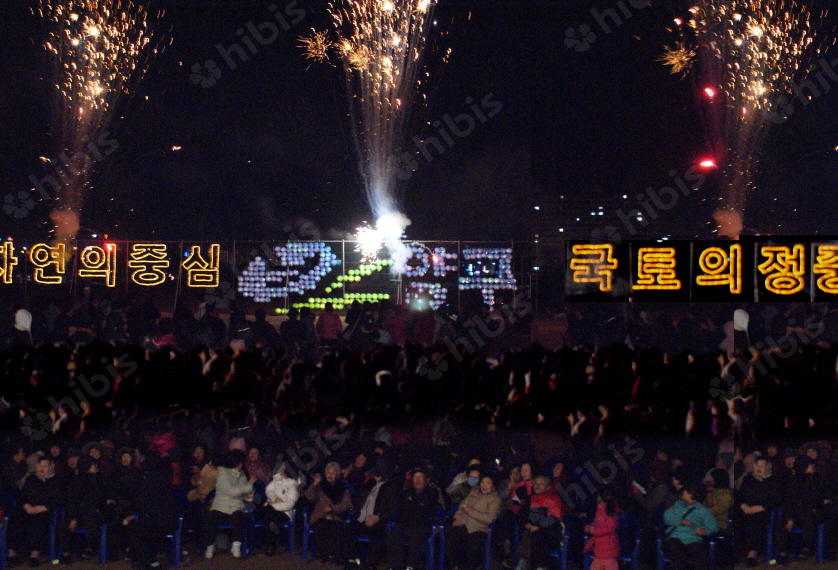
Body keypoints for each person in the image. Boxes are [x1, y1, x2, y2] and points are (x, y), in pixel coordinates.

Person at [774, 456, 834, 564]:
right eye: (810, 464)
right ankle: (783, 552)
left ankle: (807, 547)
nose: (813, 466)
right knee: (781, 523)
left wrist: (825, 500)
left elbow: (817, 497)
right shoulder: (794, 481)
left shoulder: (817, 479)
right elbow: (789, 501)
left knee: (808, 517)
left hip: (812, 513)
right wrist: (791, 518)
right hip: (795, 513)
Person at [126, 452, 179, 570]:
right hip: (165, 520)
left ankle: (151, 561)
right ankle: (144, 561)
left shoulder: (151, 480)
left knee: (134, 531)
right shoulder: (165, 478)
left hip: (158, 522)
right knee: (138, 529)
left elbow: (142, 502)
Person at [345, 459, 401, 570]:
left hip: (377, 520)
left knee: (376, 535)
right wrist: (372, 482)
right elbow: (360, 498)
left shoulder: (392, 486)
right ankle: (352, 561)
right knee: (348, 530)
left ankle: (370, 565)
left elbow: (394, 508)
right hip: (361, 518)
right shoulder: (369, 483)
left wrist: (378, 517)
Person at [203, 450, 254, 560]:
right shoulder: (222, 474)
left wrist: (248, 497)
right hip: (220, 505)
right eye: (240, 462)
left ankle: (236, 545)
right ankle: (210, 545)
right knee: (210, 518)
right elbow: (232, 492)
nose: (241, 465)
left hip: (236, 506)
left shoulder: (242, 475)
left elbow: (242, 494)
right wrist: (249, 486)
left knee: (240, 517)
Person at [386, 467, 440, 570]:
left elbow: (427, 510)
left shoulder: (432, 492)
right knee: (392, 538)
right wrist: (417, 504)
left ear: (426, 479)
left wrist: (412, 502)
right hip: (405, 524)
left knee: (416, 539)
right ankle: (396, 566)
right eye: (415, 477)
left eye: (420, 477)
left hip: (421, 525)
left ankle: (411, 567)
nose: (418, 480)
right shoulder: (406, 492)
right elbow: (401, 509)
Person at [445, 473, 501, 570]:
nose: (484, 485)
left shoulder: (495, 499)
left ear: (493, 486)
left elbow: (489, 518)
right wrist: (458, 516)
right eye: (483, 482)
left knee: (472, 547)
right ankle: (456, 565)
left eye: (488, 483)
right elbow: (463, 504)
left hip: (478, 528)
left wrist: (471, 512)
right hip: (462, 523)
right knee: (451, 539)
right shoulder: (474, 491)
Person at [511, 475, 564, 570]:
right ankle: (528, 563)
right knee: (527, 536)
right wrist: (526, 524)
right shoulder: (529, 499)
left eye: (541, 484)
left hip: (548, 534)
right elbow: (522, 515)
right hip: (529, 532)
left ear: (548, 487)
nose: (537, 486)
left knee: (535, 538)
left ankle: (523, 562)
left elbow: (554, 518)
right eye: (535, 483)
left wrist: (538, 527)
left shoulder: (554, 499)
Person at [661, 481, 718, 570]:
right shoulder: (678, 504)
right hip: (675, 536)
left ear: (691, 494)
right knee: (678, 557)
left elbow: (713, 527)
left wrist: (704, 531)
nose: (683, 492)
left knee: (701, 558)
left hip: (693, 538)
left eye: (686, 491)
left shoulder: (702, 510)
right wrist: (681, 521)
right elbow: (667, 517)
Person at [305, 462, 352, 564]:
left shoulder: (342, 487)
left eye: (333, 473)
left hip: (335, 515)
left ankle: (334, 556)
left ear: (337, 474)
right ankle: (325, 554)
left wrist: (333, 508)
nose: (330, 476)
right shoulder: (320, 486)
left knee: (335, 529)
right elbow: (310, 497)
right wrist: (314, 484)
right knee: (322, 528)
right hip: (321, 515)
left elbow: (346, 504)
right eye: (328, 473)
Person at [19, 458, 62, 567]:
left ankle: (35, 553)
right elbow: (22, 496)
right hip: (29, 509)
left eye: (45, 466)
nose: (41, 468)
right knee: (15, 516)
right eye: (40, 465)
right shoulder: (30, 479)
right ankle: (12, 552)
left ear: (50, 468)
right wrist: (26, 505)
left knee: (40, 520)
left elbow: (59, 499)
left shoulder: (56, 481)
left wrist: (45, 507)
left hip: (45, 511)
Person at [736, 457, 778, 566]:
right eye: (757, 465)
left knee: (757, 520)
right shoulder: (748, 479)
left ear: (767, 468)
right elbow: (739, 496)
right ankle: (737, 551)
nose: (759, 468)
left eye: (762, 466)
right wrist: (743, 505)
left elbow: (776, 499)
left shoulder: (772, 481)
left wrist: (762, 507)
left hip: (762, 511)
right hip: (746, 510)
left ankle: (752, 553)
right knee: (735, 518)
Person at [262, 462, 301, 556]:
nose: (281, 470)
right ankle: (272, 540)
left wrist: (273, 506)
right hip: (271, 507)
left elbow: (289, 504)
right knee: (268, 516)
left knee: (268, 515)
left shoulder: (293, 486)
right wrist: (274, 499)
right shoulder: (277, 479)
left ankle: (270, 545)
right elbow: (268, 490)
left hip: (284, 512)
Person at [583, 489, 619, 570]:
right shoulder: (600, 511)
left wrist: (594, 531)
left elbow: (610, 528)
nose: (597, 503)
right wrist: (590, 526)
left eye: (599, 501)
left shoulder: (609, 511)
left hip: (609, 550)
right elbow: (598, 523)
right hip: (599, 549)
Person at [704, 468, 732, 533]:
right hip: (709, 521)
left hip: (719, 524)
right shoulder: (712, 490)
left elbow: (716, 510)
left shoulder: (726, 495)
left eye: (712, 477)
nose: (710, 479)